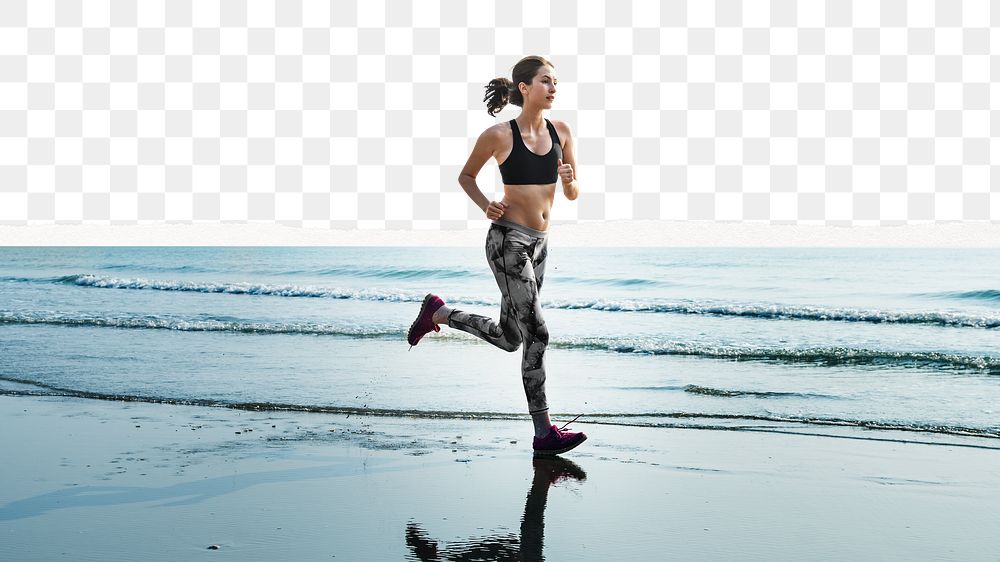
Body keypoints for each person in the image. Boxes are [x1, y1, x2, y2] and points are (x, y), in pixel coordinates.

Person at [406, 55, 586, 456]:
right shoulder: (499, 135)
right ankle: (544, 433)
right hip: (507, 243)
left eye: (555, 81)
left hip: (540, 244)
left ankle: (438, 313)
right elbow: (465, 176)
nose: (553, 88)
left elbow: (572, 194)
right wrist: (485, 204)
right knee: (537, 333)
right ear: (524, 88)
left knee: (510, 338)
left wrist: (569, 182)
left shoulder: (562, 131)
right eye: (545, 81)